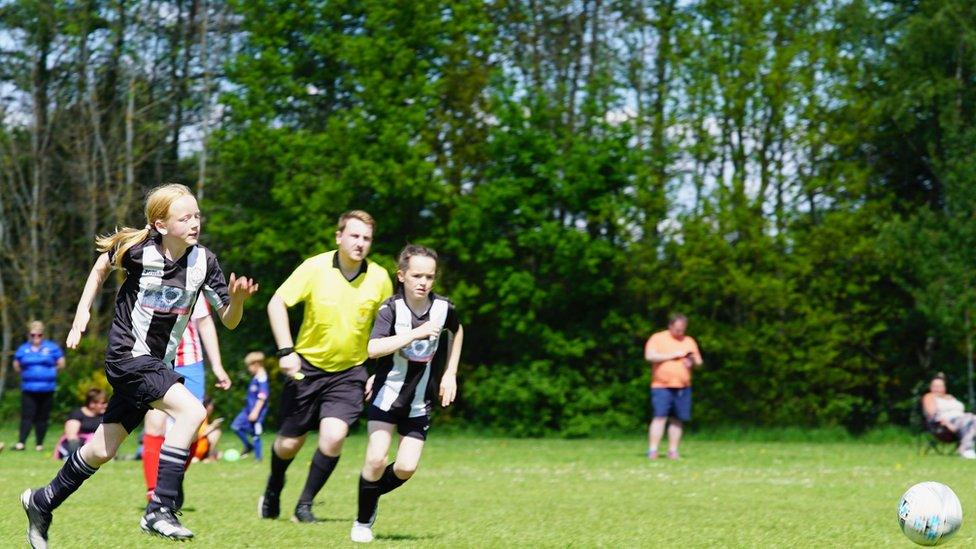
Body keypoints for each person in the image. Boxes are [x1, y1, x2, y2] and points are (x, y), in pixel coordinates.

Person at [20, 183, 257, 548]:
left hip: (156, 364)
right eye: (185, 217)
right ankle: (159, 508)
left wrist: (237, 302)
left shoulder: (204, 261)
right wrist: (81, 313)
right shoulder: (138, 250)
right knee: (192, 412)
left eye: (197, 215)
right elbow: (101, 265)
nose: (195, 223)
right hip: (128, 357)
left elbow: (227, 319)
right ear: (161, 224)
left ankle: (42, 501)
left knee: (102, 449)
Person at [260, 210, 392, 524]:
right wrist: (285, 351)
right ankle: (274, 485)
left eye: (366, 238)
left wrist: (379, 371)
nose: (360, 243)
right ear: (339, 236)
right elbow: (276, 302)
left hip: (351, 371)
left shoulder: (380, 278)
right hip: (306, 367)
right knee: (289, 443)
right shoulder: (315, 267)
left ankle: (304, 506)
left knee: (334, 437)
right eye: (355, 236)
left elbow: (390, 327)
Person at [351, 244, 464, 543]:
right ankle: (362, 522)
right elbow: (373, 348)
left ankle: (369, 493)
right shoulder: (390, 309)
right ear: (401, 275)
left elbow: (458, 329)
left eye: (429, 276)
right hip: (386, 395)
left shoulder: (443, 308)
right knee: (376, 459)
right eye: (416, 275)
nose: (423, 282)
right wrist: (415, 333)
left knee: (406, 467)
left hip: (418, 402)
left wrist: (450, 372)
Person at [142, 295, 230, 500]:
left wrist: (217, 366)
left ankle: (174, 477)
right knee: (155, 422)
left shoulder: (195, 276)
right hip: (155, 359)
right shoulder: (149, 272)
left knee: (191, 428)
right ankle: (154, 492)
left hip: (189, 361)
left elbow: (205, 323)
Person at [643, 313, 702, 460]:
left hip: (683, 386)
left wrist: (692, 361)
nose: (680, 333)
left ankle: (673, 451)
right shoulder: (657, 338)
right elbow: (649, 356)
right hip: (661, 385)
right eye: (677, 329)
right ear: (670, 326)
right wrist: (672, 355)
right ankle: (653, 450)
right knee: (660, 417)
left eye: (682, 329)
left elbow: (699, 362)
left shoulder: (689, 341)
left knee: (677, 419)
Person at [13, 321, 66, 452]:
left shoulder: (52, 348)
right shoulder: (23, 349)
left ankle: (39, 444)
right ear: (29, 335)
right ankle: (21, 443)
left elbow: (61, 363)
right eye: (33, 335)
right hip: (29, 389)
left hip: (47, 388)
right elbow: (16, 365)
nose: (36, 337)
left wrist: (50, 373)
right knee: (27, 416)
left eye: (39, 335)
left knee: (42, 417)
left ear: (43, 335)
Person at [922, 373, 976, 459]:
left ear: (944, 387)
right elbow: (933, 415)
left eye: (940, 386)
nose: (937, 389)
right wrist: (947, 424)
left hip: (963, 422)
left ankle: (965, 448)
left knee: (972, 419)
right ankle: (966, 448)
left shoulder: (950, 397)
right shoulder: (929, 397)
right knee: (971, 419)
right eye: (935, 386)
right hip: (945, 426)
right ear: (931, 387)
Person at [231, 351, 270, 460]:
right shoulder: (256, 377)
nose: (248, 368)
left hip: (256, 412)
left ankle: (258, 458)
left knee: (255, 434)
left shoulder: (262, 379)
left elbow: (262, 398)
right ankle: (248, 446)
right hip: (247, 410)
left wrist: (255, 412)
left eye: (249, 366)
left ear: (256, 364)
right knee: (236, 426)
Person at [54, 389, 107, 460]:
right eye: (103, 403)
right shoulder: (77, 414)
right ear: (92, 403)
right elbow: (71, 436)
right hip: (74, 446)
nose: (106, 405)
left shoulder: (104, 415)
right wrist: (77, 455)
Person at [190, 396, 223, 462]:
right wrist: (213, 425)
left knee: (220, 453)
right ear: (207, 406)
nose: (212, 408)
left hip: (201, 447)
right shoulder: (201, 417)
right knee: (216, 432)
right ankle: (209, 457)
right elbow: (200, 434)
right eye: (211, 405)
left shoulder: (204, 417)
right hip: (197, 448)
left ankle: (208, 455)